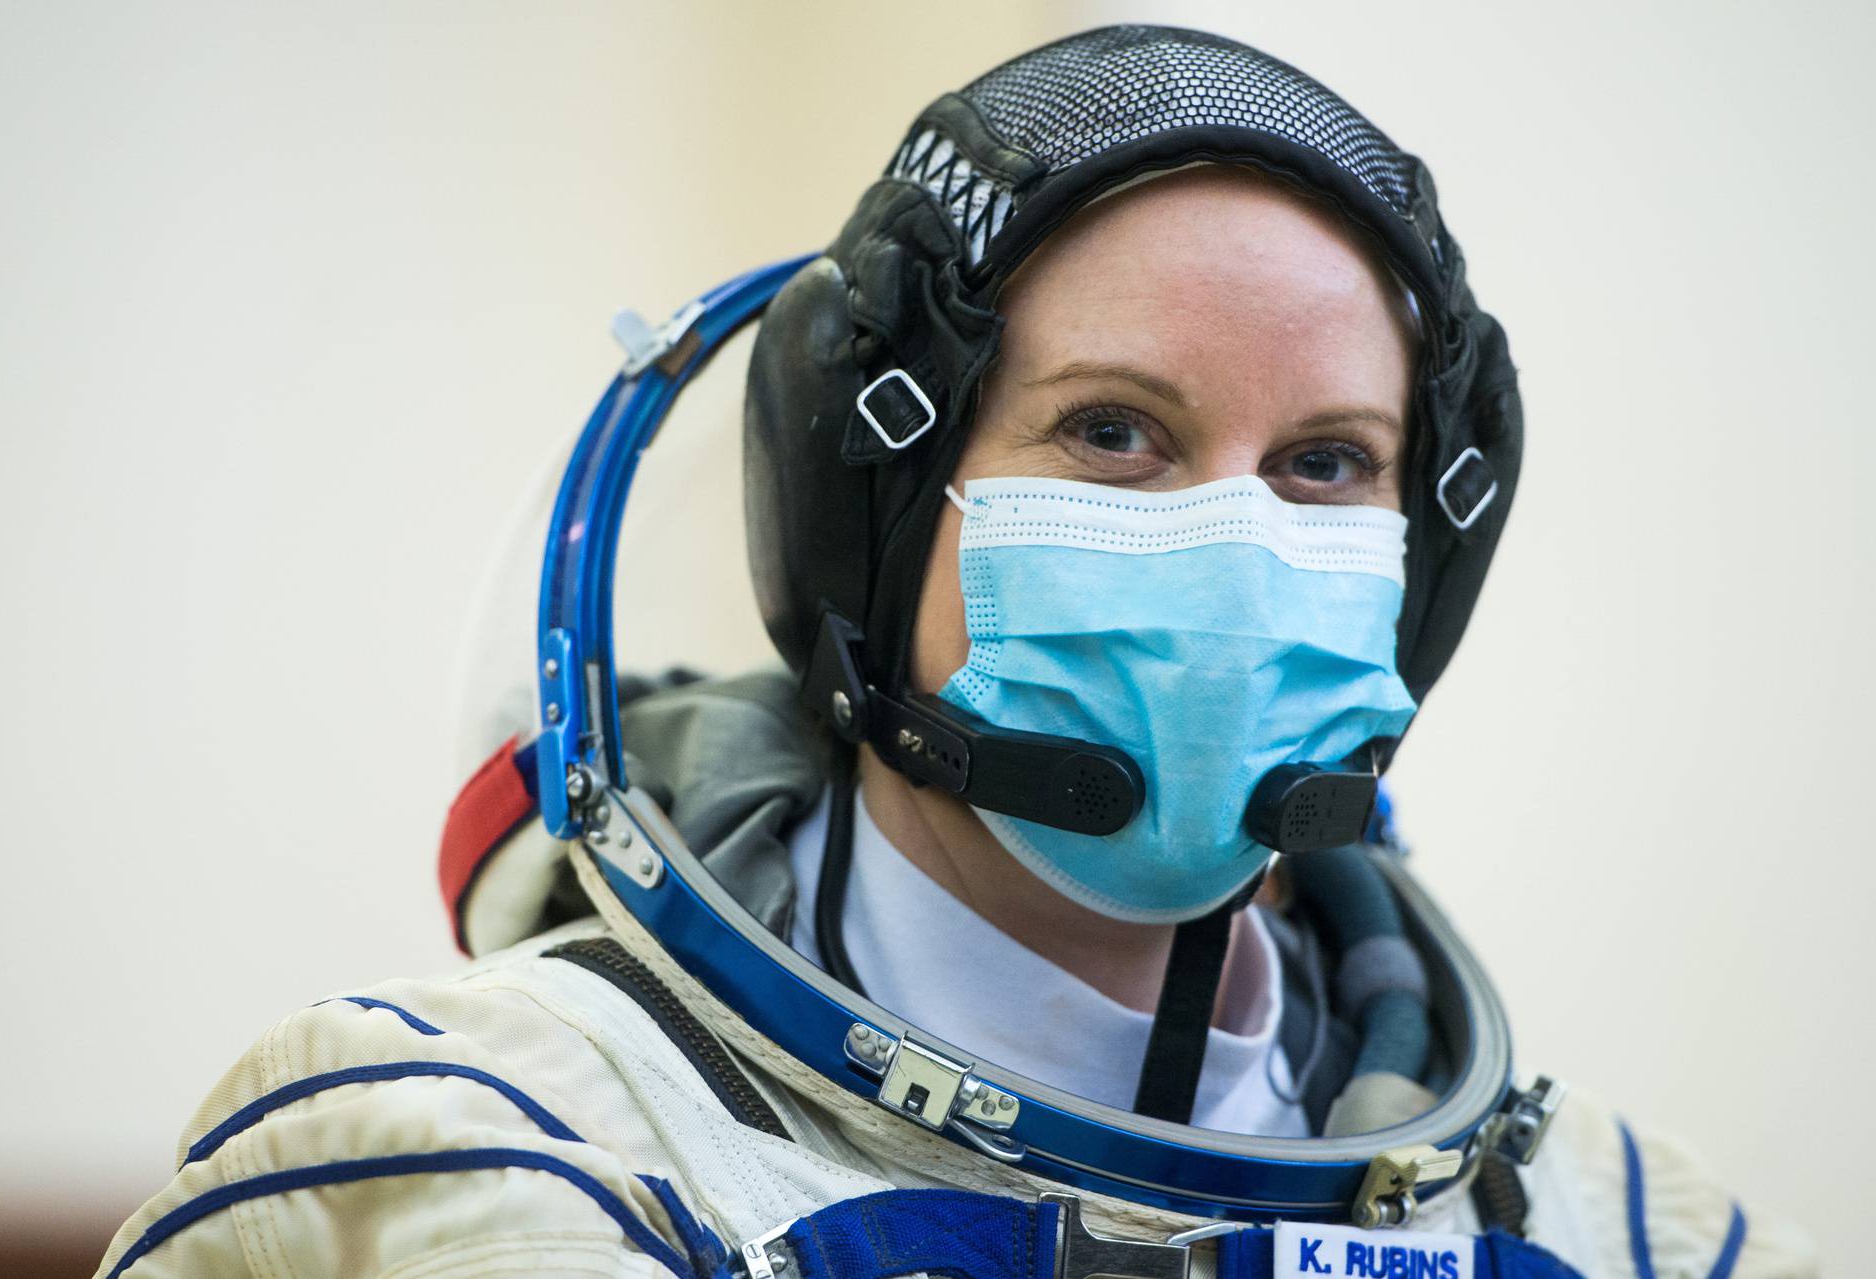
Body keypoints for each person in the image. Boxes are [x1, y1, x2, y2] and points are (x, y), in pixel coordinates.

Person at [96, 25, 1814, 1279]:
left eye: (1327, 463)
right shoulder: (457, 1143)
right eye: (1118, 434)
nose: (1240, 540)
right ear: (878, 511)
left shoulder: (1627, 1225)